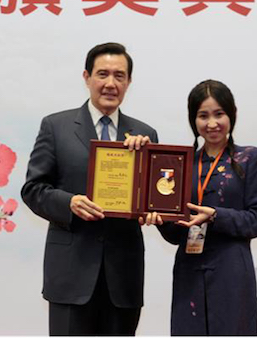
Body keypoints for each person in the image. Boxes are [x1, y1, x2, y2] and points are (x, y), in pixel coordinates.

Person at [21, 42, 158, 336]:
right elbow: (33, 189)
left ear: (129, 82)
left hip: (123, 278)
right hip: (70, 275)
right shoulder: (56, 126)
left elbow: (152, 202)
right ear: (87, 77)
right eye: (102, 74)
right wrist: (69, 203)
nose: (110, 84)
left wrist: (147, 171)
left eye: (119, 76)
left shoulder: (145, 135)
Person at [150, 79, 257, 335]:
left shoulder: (251, 158)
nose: (212, 123)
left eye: (219, 114)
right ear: (193, 120)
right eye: (203, 116)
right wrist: (160, 220)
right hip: (189, 273)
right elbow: (175, 234)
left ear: (232, 114)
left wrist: (215, 215)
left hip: (232, 273)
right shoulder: (181, 164)